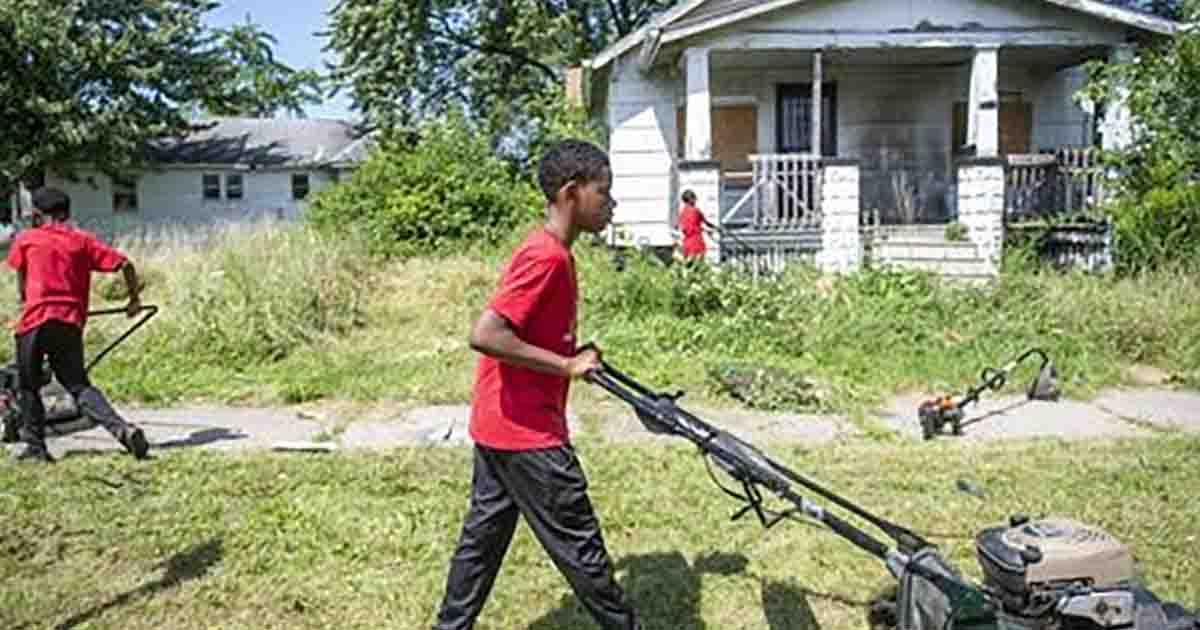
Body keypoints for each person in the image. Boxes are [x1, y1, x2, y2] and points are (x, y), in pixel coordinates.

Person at [431, 140, 641, 630]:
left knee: (480, 546)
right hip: (529, 437)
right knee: (583, 554)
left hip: (499, 425)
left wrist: (568, 354)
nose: (611, 203)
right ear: (571, 193)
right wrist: (567, 367)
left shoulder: (550, 251)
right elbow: (487, 334)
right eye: (603, 192)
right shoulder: (546, 257)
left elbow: (525, 332)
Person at [5, 187, 149, 463]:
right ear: (67, 212)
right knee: (78, 385)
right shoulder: (82, 241)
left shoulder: (27, 239)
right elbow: (125, 264)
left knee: (28, 386)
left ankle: (36, 450)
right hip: (70, 322)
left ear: (36, 214)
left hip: (35, 321)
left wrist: (26, 305)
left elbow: (23, 289)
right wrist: (134, 299)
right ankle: (123, 430)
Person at [676, 189, 708, 261]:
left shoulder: (682, 213)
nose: (695, 201)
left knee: (688, 263)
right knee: (698, 261)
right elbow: (706, 222)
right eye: (694, 199)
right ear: (691, 199)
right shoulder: (695, 210)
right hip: (696, 241)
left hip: (687, 242)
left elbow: (680, 226)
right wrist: (714, 228)